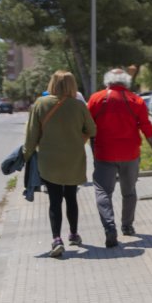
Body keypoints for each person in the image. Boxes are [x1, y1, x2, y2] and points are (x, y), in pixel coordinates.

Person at [23, 70, 96, 258]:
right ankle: (73, 234)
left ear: (52, 84)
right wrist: (80, 140)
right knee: (71, 196)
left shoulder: (40, 103)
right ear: (72, 85)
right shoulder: (79, 105)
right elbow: (92, 129)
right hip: (73, 158)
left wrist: (26, 155)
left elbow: (31, 134)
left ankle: (56, 239)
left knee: (54, 200)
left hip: (49, 160)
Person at [88, 68, 152, 247]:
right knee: (129, 191)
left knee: (103, 191)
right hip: (130, 154)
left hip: (104, 153)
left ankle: (109, 227)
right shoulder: (136, 100)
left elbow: (86, 125)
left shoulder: (96, 99)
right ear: (126, 82)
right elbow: (147, 129)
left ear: (108, 81)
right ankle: (127, 226)